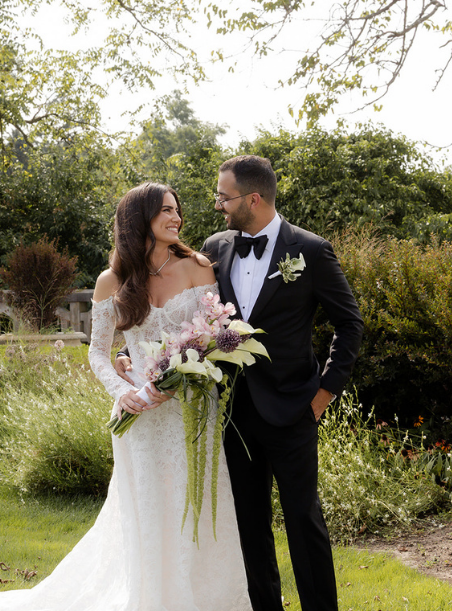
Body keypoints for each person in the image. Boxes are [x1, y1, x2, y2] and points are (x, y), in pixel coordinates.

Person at [0, 181, 252, 611]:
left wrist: (188, 370)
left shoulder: (199, 267)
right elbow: (98, 353)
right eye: (164, 210)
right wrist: (125, 394)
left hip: (192, 409)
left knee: (197, 502)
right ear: (138, 217)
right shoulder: (112, 281)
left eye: (177, 210)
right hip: (140, 415)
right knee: (148, 509)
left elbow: (211, 334)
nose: (175, 217)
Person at [117, 158, 363, 611]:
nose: (216, 206)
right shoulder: (215, 247)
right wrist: (137, 355)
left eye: (223, 197)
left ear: (253, 199)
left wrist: (324, 393)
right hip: (229, 412)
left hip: (294, 409)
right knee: (247, 524)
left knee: (303, 520)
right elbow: (186, 320)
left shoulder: (310, 250)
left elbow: (349, 324)